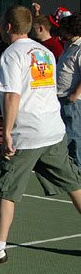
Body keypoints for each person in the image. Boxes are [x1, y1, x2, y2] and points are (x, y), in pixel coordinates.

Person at [0, 6, 81, 264]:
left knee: (6, 188)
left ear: (8, 26)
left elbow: (12, 95)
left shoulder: (12, 54)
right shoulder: (45, 52)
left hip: (27, 133)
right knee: (74, 183)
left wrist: (6, 133)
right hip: (52, 130)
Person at [56, 13, 81, 167]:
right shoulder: (68, 46)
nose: (61, 31)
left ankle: (78, 168)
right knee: (65, 135)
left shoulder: (79, 48)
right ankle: (70, 166)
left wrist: (75, 94)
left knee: (74, 135)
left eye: (63, 28)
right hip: (61, 96)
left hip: (72, 99)